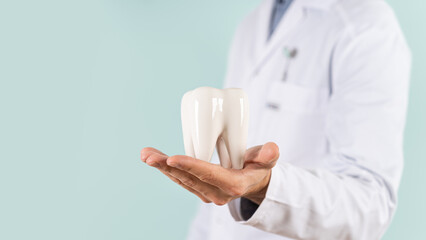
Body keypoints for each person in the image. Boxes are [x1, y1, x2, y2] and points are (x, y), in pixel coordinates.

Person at [140, 0, 411, 239]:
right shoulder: (253, 23)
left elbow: (370, 205)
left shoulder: (366, 25)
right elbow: (214, 209)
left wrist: (266, 188)